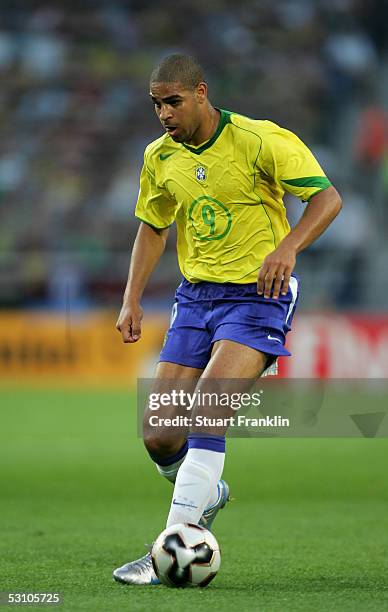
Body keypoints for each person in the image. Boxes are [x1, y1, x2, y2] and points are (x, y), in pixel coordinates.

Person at [113, 54, 342, 585]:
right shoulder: (158, 157)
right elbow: (152, 227)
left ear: (200, 92)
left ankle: (169, 546)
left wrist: (287, 247)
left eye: (172, 101)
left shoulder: (261, 140)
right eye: (155, 104)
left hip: (259, 294)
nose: (163, 113)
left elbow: (327, 199)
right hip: (195, 297)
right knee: (160, 436)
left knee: (209, 408)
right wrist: (131, 299)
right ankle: (206, 491)